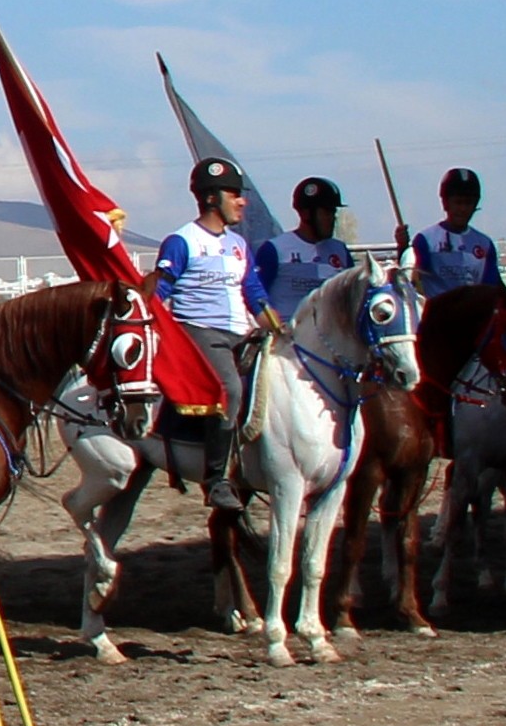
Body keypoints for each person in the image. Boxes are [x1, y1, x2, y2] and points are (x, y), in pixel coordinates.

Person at [151, 157, 259, 512]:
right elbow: (160, 293)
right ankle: (216, 480)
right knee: (229, 387)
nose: (242, 201)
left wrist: (278, 328)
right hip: (198, 331)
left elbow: (255, 292)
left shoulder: (239, 245)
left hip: (240, 331)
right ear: (212, 198)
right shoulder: (182, 241)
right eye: (235, 194)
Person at [252, 176, 354, 324]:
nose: (332, 218)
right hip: (288, 334)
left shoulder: (340, 250)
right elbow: (257, 296)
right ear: (306, 213)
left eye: (333, 212)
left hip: (330, 334)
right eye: (326, 212)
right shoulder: (275, 249)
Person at [410, 168, 503, 298]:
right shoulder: (425, 240)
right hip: (436, 315)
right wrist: (402, 248)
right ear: (446, 203)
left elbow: (492, 287)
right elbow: (413, 280)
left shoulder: (485, 245)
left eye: (468, 203)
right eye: (458, 202)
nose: (463, 209)